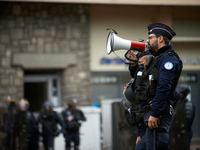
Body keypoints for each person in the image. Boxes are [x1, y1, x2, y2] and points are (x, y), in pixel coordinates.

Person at [125, 23, 183, 150]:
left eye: (150, 37)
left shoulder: (168, 60)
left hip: (158, 114)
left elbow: (163, 87)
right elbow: (144, 84)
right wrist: (134, 65)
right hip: (149, 114)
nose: (147, 41)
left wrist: (155, 113)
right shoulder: (157, 58)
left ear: (160, 38)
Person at [169, 84, 195, 150]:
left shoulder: (188, 105)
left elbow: (188, 121)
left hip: (184, 133)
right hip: (175, 133)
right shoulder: (177, 104)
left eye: (180, 93)